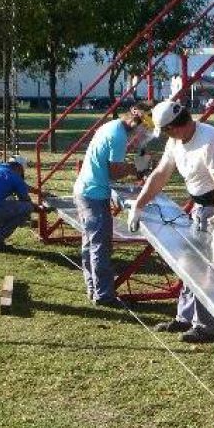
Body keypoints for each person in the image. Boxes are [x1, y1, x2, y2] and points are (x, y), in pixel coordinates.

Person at [128, 100, 214, 343]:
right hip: (203, 206)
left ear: (176, 127)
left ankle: (208, 325)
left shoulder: (210, 140)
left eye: (167, 132)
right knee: (191, 263)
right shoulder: (176, 141)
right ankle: (185, 316)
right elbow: (160, 174)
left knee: (209, 267)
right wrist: (138, 205)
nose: (166, 137)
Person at [73, 102, 154, 309]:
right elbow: (114, 172)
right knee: (101, 246)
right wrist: (137, 169)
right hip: (93, 195)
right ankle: (104, 295)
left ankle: (94, 288)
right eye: (145, 130)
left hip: (84, 190)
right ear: (136, 119)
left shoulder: (111, 127)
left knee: (90, 244)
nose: (144, 135)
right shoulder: (118, 136)